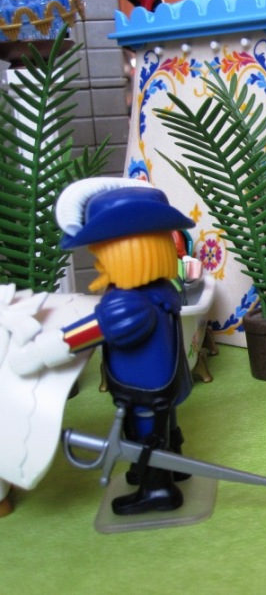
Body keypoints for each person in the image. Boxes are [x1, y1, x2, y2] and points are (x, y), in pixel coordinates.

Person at [9, 179, 196, 514]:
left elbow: (84, 333)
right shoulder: (162, 288)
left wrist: (36, 354)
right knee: (165, 425)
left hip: (143, 389)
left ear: (128, 253)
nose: (98, 263)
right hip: (163, 382)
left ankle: (158, 489)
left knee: (146, 436)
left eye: (102, 254)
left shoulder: (129, 304)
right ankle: (172, 467)